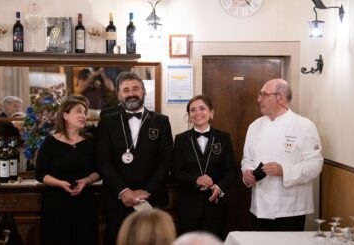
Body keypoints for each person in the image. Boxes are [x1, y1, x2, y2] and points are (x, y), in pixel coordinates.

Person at [96, 71, 173, 245]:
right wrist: (123, 191)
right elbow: (103, 160)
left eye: (135, 89)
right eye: (126, 90)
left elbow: (165, 160)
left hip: (151, 199)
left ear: (144, 91)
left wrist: (147, 190)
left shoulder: (161, 121)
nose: (131, 93)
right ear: (119, 94)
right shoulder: (107, 121)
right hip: (116, 200)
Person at [241, 78, 323, 231]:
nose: (259, 99)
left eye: (264, 95)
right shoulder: (254, 126)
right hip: (260, 206)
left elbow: (315, 165)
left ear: (280, 97)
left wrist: (284, 171)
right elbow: (247, 159)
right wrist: (246, 173)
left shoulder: (304, 125)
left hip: (291, 207)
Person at [35, 96, 100, 245]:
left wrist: (87, 181)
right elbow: (40, 174)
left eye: (85, 112)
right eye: (79, 111)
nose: (83, 116)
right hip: (56, 204)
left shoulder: (91, 141)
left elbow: (98, 171)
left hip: (85, 203)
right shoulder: (50, 142)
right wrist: (59, 183)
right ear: (65, 115)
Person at [172, 95, 238, 239]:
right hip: (188, 208)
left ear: (211, 113)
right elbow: (176, 172)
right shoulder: (180, 139)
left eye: (202, 108)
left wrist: (219, 187)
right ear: (189, 116)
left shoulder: (223, 138)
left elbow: (231, 171)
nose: (197, 113)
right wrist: (196, 180)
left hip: (215, 207)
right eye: (192, 110)